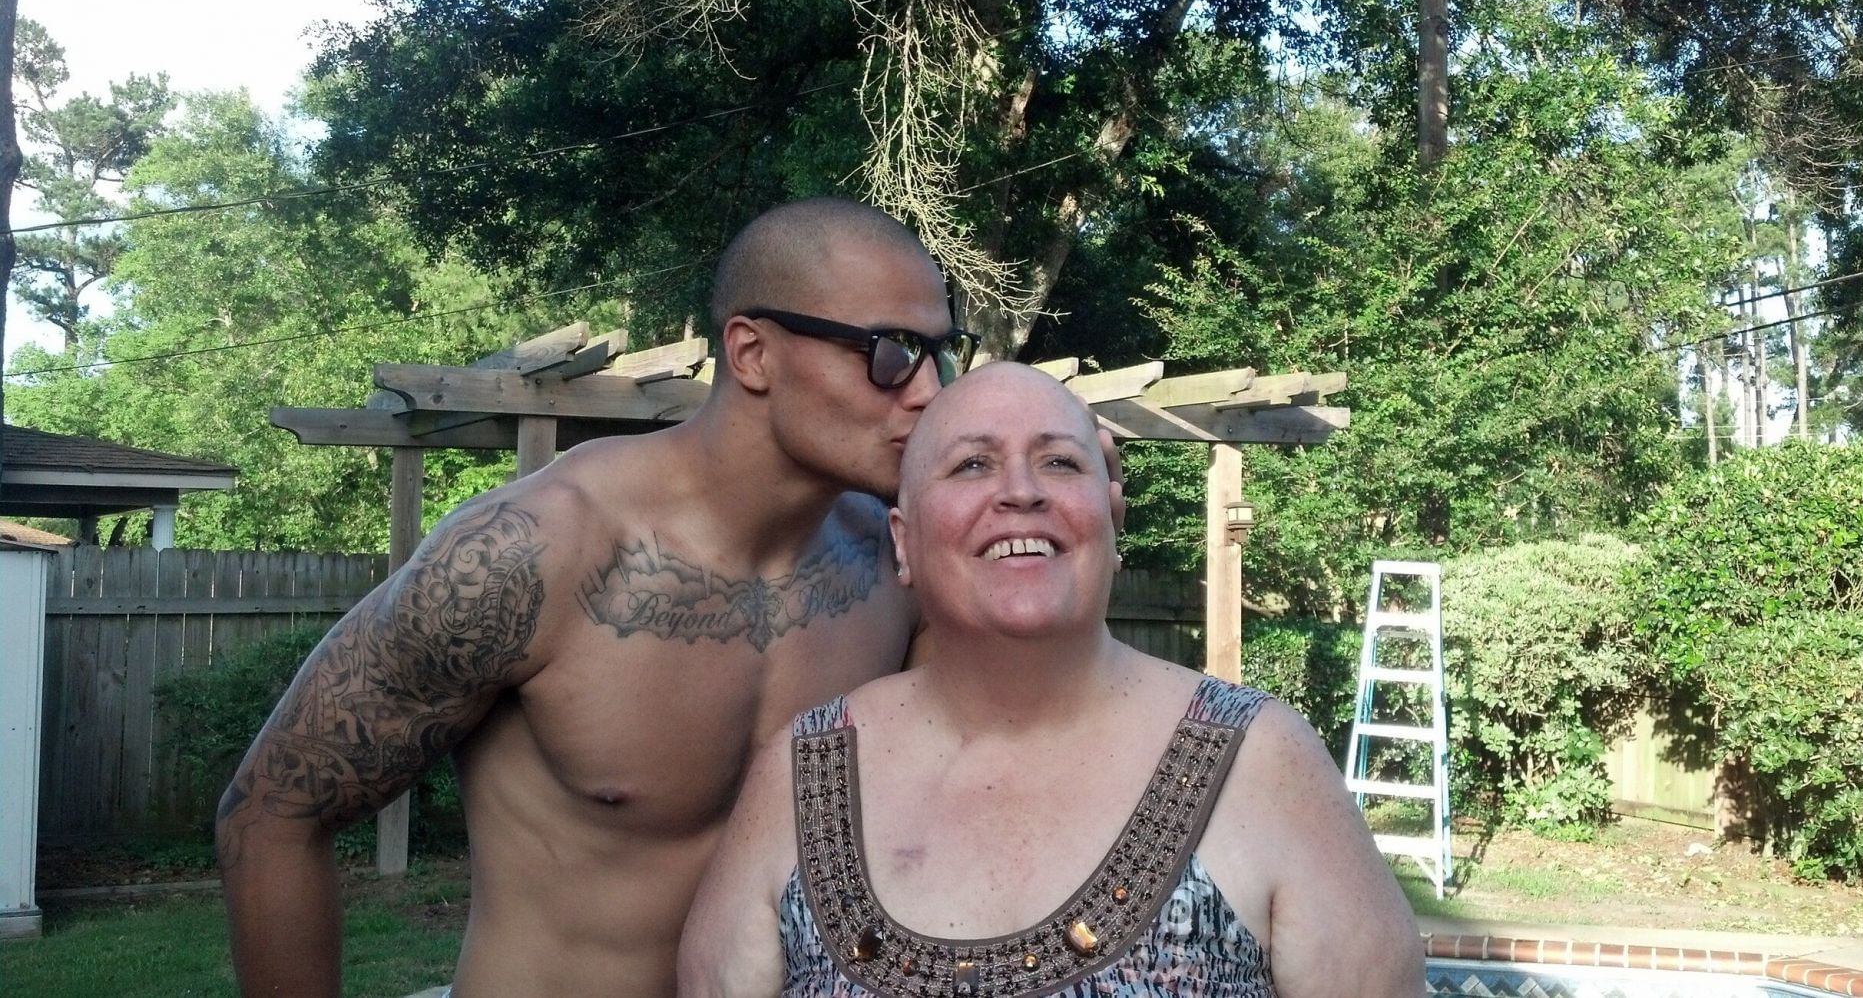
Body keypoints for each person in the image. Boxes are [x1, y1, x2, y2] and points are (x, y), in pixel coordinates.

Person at [216, 198, 1037, 998]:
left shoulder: (898, 569)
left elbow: (1009, 797)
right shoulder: (535, 554)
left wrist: (1065, 525)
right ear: (753, 354)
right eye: (890, 351)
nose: (929, 390)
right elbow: (270, 818)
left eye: (943, 352)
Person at [678, 362, 1427, 998]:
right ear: (903, 543)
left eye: (1061, 462)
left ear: (1109, 513)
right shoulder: (805, 771)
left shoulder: (1260, 759)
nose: (1021, 492)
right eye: (972, 464)